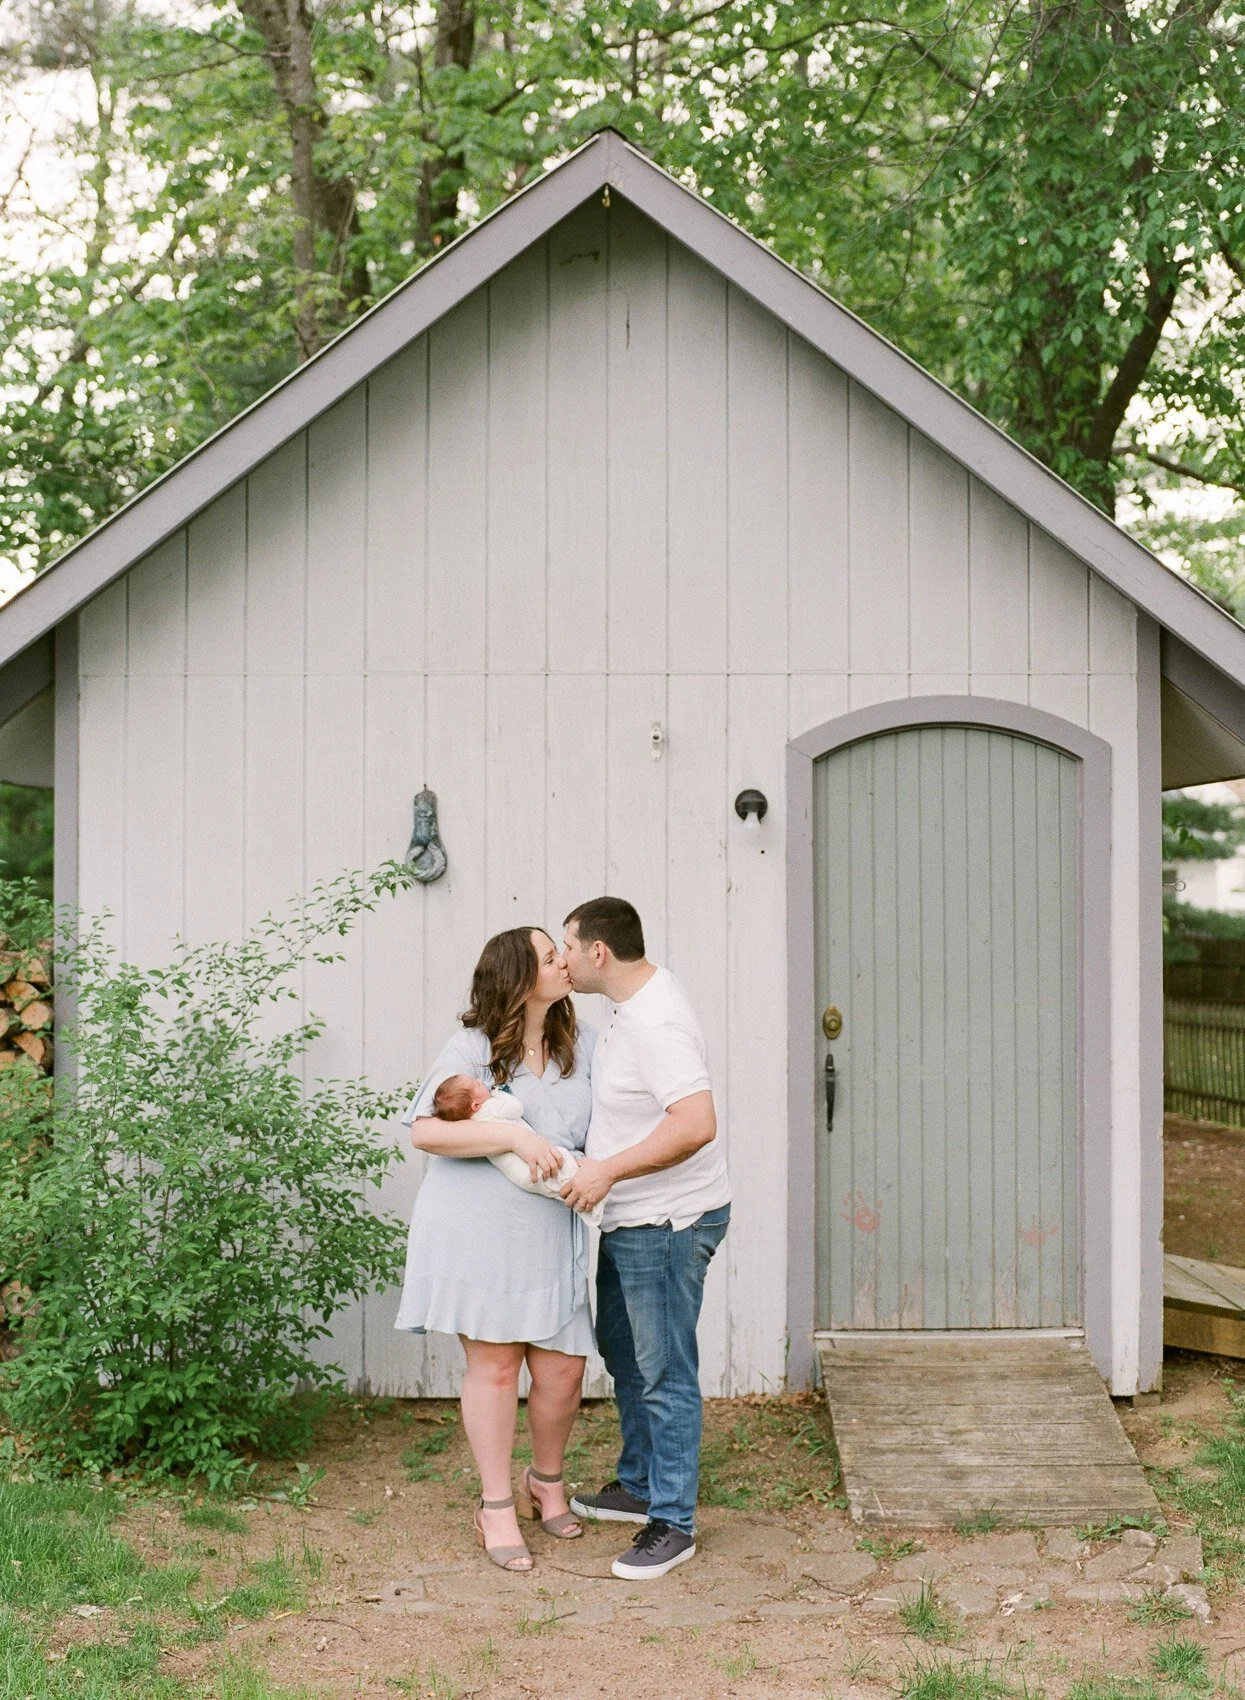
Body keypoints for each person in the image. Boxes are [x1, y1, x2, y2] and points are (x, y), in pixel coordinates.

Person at [395, 927, 594, 1571]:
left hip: (549, 1231)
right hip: (479, 1233)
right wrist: (510, 1140)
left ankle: (547, 1479)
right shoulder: (471, 1048)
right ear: (517, 977)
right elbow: (425, 1131)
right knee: (499, 1370)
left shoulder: (576, 1048)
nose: (563, 961)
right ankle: (496, 1505)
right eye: (548, 956)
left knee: (564, 1369)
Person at [559, 897, 731, 1580]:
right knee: (624, 1352)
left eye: (568, 947)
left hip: (665, 1222)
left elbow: (694, 1123)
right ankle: (637, 1485)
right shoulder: (629, 1006)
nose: (563, 960)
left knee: (663, 1371)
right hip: (631, 1217)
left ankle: (673, 1523)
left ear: (597, 952)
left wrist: (605, 1171)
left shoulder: (656, 1020)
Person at [430, 1073, 604, 1225]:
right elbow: (515, 1108)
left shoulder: (474, 1122)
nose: (479, 1080)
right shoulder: (490, 1108)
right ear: (475, 1106)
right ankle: (592, 1203)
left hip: (518, 1174)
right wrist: (501, 1093)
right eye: (476, 1085)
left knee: (554, 1186)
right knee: (561, 1166)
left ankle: (588, 1206)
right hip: (526, 1164)